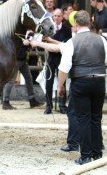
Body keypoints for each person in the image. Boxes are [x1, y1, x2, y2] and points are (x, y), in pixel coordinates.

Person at [32, 10, 106, 165]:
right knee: (96, 118)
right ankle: (97, 152)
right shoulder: (102, 40)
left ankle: (85, 156)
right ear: (89, 22)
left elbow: (64, 68)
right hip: (99, 81)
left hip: (81, 82)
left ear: (75, 24)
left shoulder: (73, 42)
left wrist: (60, 86)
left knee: (83, 118)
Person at [43, 9, 72, 115]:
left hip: (61, 57)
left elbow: (66, 44)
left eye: (59, 16)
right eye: (54, 16)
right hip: (50, 57)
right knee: (48, 83)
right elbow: (44, 40)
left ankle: (62, 105)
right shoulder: (48, 28)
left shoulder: (67, 29)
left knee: (62, 82)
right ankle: (48, 106)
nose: (56, 18)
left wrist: (52, 42)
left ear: (62, 17)